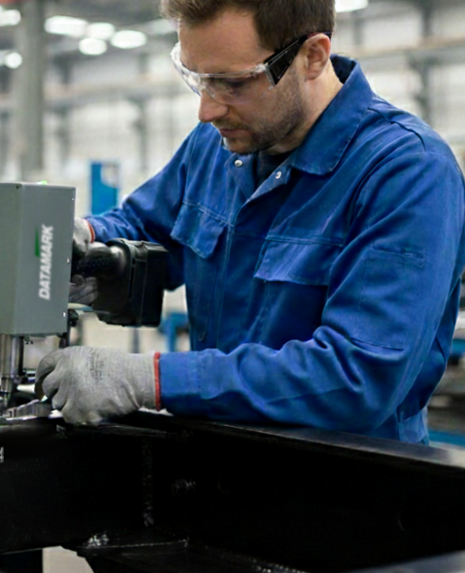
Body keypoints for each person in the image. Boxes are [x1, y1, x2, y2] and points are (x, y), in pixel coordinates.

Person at [34, 0, 465, 444]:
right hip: (216, 473)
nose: (207, 110)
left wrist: (156, 380)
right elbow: (147, 225)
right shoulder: (217, 146)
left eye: (232, 83)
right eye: (198, 78)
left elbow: (357, 377)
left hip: (340, 494)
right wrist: (86, 244)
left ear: (312, 57)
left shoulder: (406, 172)